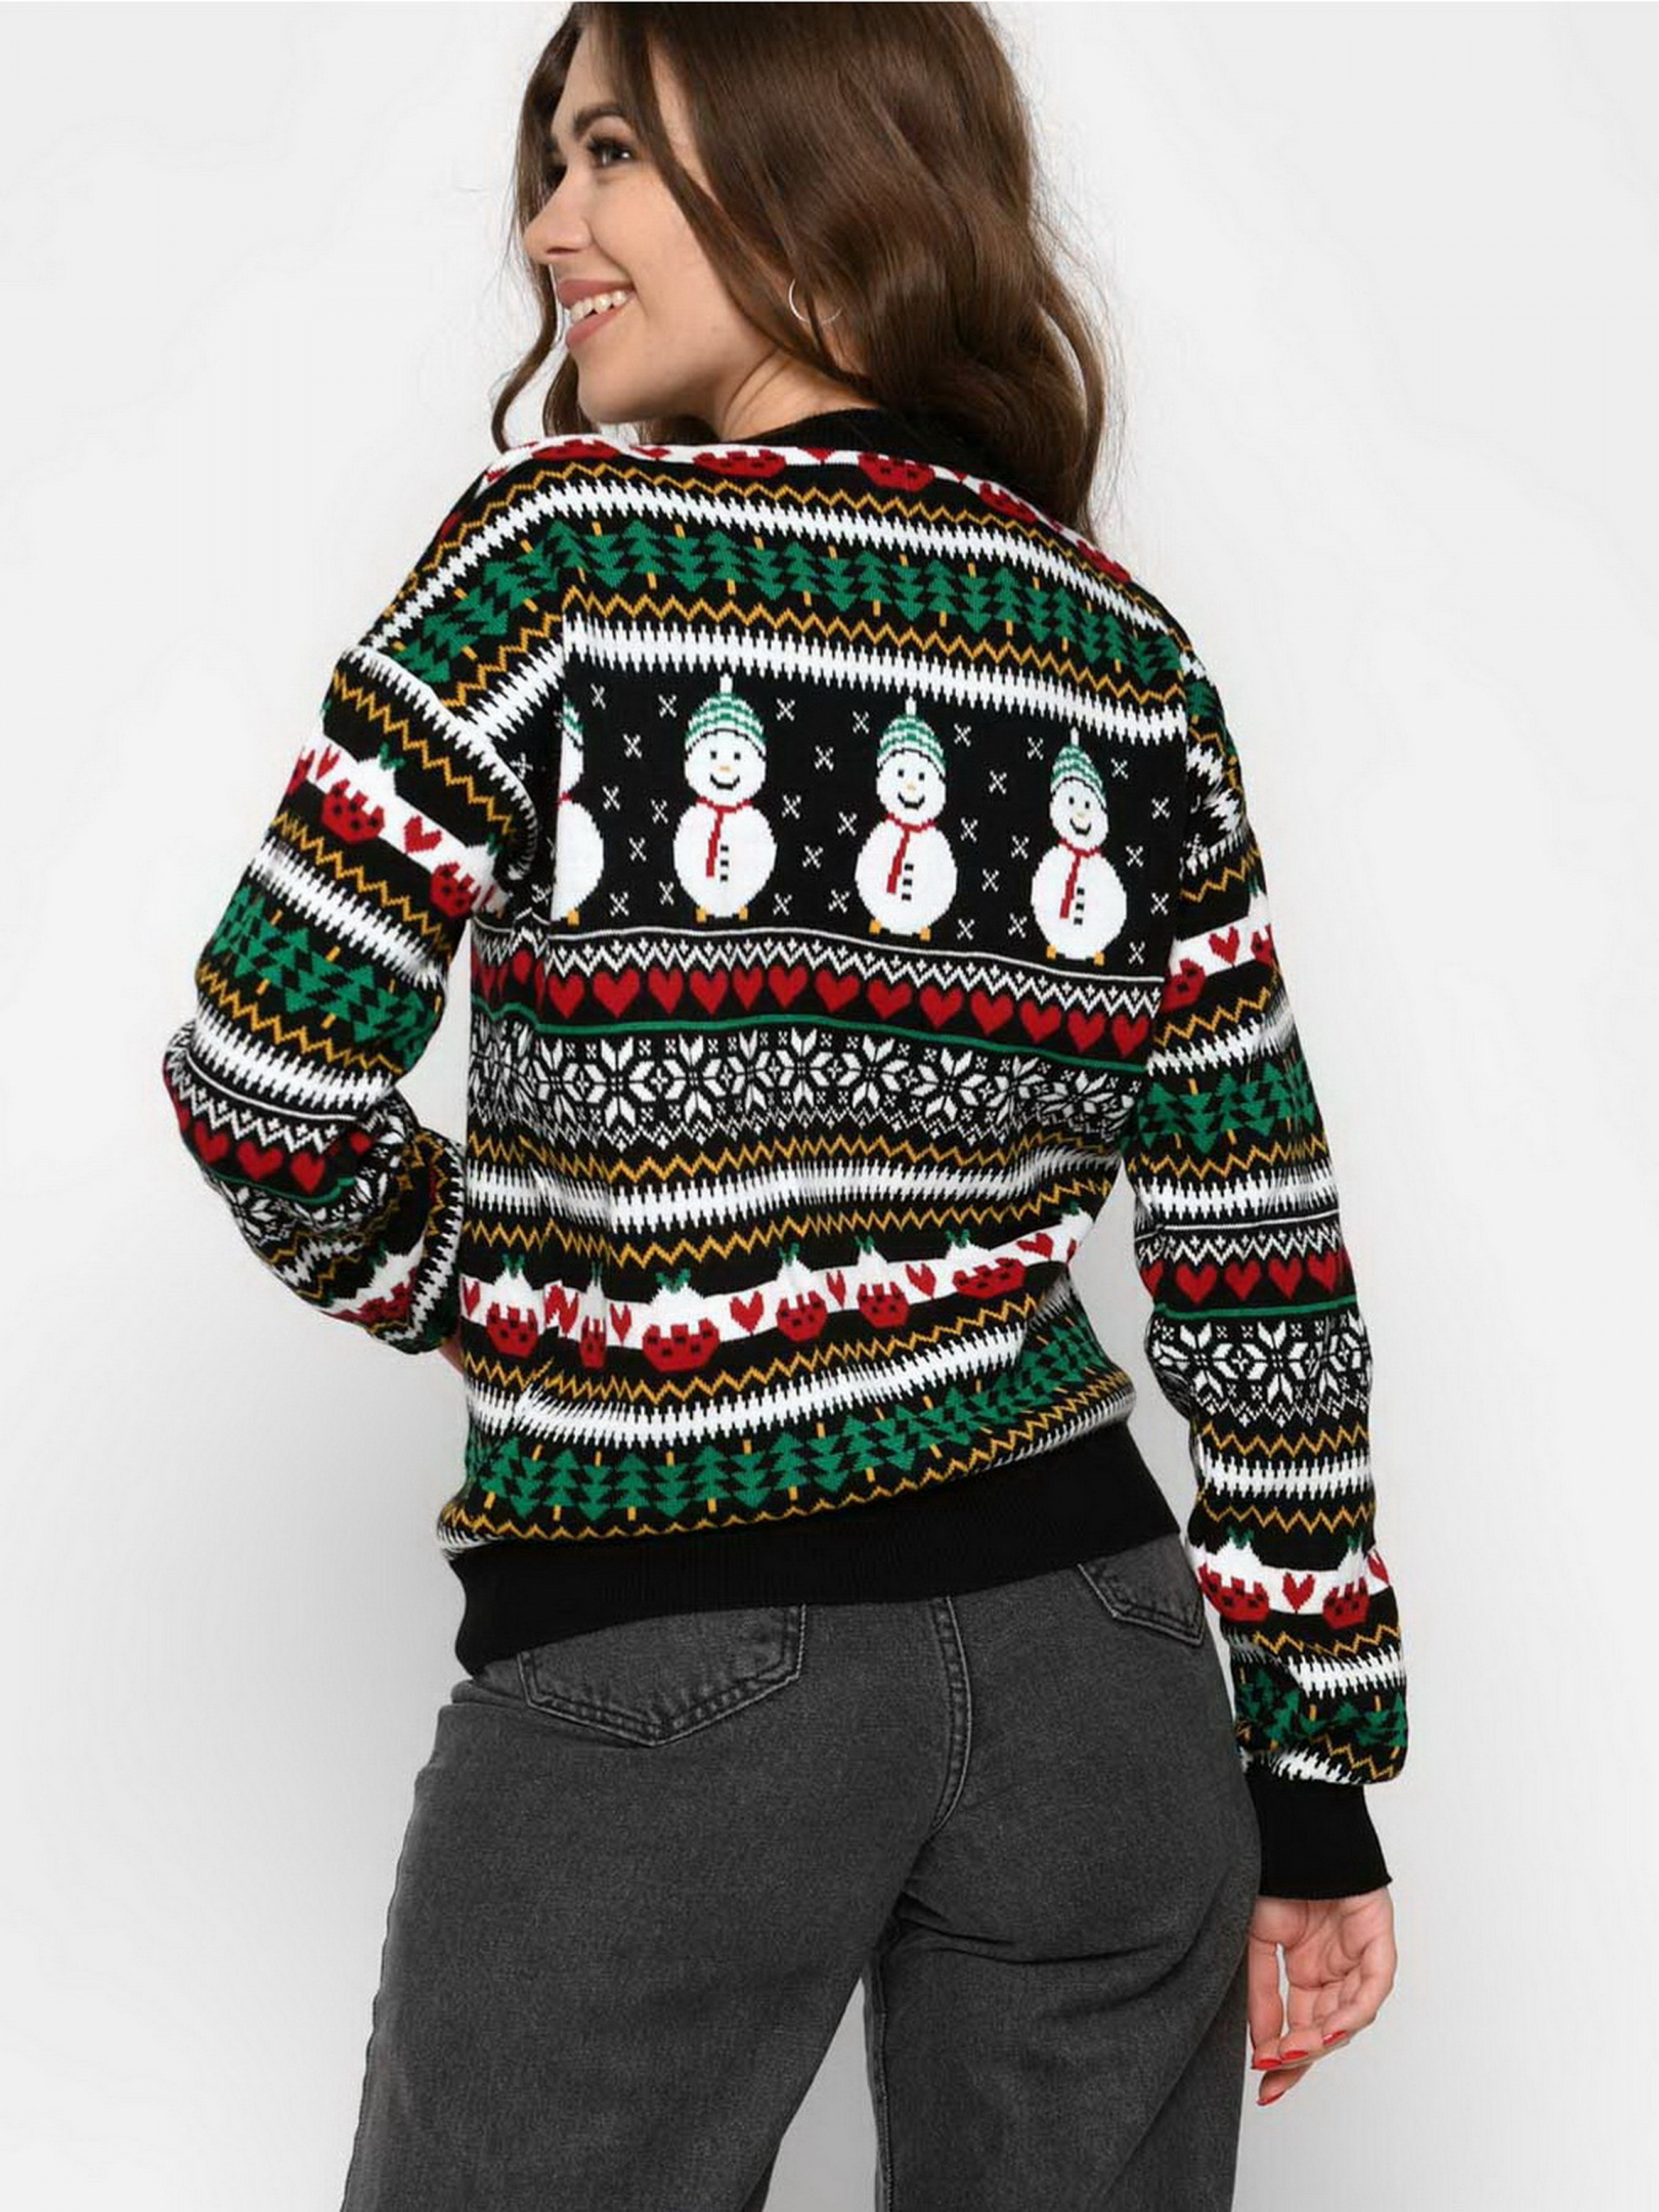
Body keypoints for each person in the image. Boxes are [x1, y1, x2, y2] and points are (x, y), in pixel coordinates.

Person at [160, 6, 1407, 2205]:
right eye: (551, 161)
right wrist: (1313, 1777)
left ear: (816, 165)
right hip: (1100, 1673)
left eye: (612, 153)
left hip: (666, 1643)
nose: (549, 226)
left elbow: (265, 1077)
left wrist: (527, 1293)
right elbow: (1258, 1251)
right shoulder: (1120, 652)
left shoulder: (563, 562)